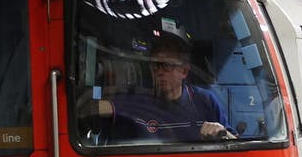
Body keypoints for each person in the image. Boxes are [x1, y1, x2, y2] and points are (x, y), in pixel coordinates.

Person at [95, 31, 236, 142]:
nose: (160, 72)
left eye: (167, 65)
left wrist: (221, 132)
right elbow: (94, 108)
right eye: (156, 65)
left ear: (184, 71)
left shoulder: (205, 101)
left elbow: (234, 143)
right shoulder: (139, 101)